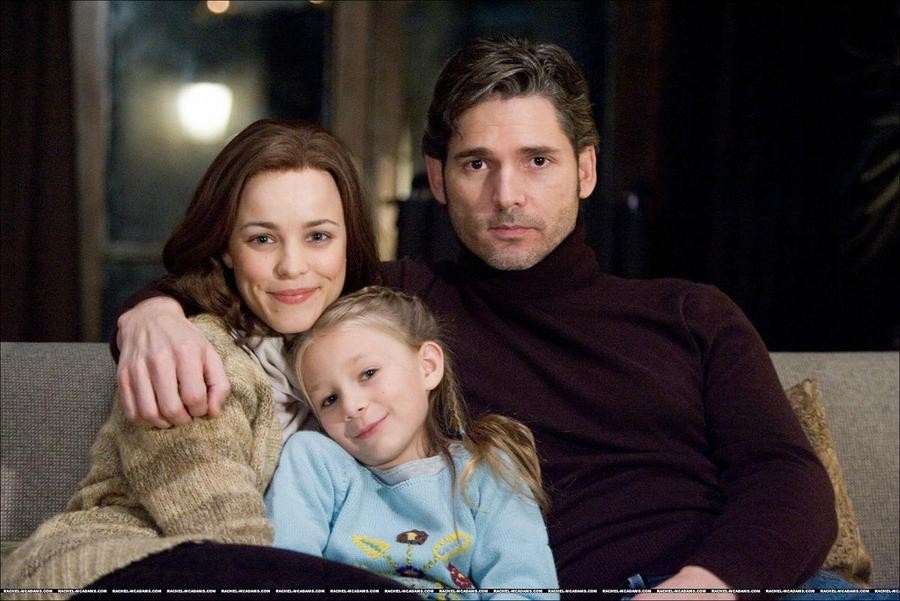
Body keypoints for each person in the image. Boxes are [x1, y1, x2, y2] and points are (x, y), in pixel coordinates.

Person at [109, 37, 847, 597]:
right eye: (476, 164)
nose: (507, 194)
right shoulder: (396, 307)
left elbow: (787, 477)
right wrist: (152, 314)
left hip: (730, 585)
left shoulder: (689, 314)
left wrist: (706, 584)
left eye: (537, 160)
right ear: (438, 178)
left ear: (586, 169)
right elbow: (259, 275)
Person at [0, 118, 399, 596]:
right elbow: (224, 531)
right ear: (227, 249)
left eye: (318, 236)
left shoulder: (368, 352)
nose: (292, 267)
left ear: (349, 241)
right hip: (115, 563)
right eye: (262, 239)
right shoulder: (193, 349)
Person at [266, 286, 558, 598]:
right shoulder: (316, 462)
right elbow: (287, 573)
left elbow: (526, 588)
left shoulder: (486, 469)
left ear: (427, 366)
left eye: (368, 373)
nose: (351, 406)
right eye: (329, 400)